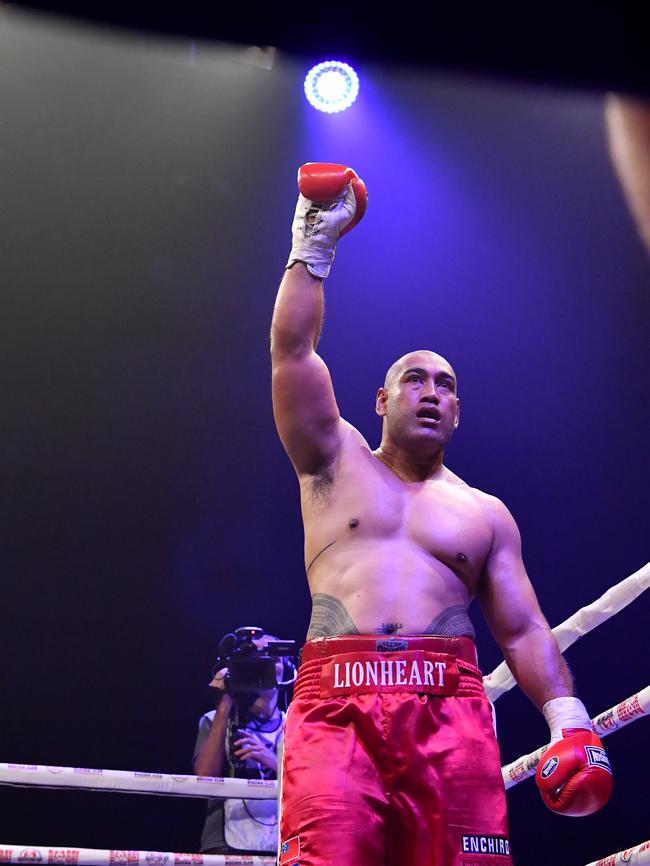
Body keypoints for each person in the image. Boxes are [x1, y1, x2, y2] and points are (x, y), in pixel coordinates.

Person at [269, 163, 613, 866]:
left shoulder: (484, 514)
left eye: (447, 385)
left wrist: (567, 718)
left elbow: (522, 627)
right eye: (414, 380)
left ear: (458, 410)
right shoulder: (332, 461)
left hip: (449, 712)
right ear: (380, 401)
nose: (431, 393)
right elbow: (292, 351)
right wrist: (314, 247)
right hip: (337, 704)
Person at [192, 630, 286, 855]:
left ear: (287, 669)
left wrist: (272, 760)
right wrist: (225, 700)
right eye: (255, 659)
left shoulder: (296, 723)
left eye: (272, 659)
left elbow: (312, 786)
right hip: (224, 846)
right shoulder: (213, 720)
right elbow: (204, 780)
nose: (263, 665)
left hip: (281, 846)